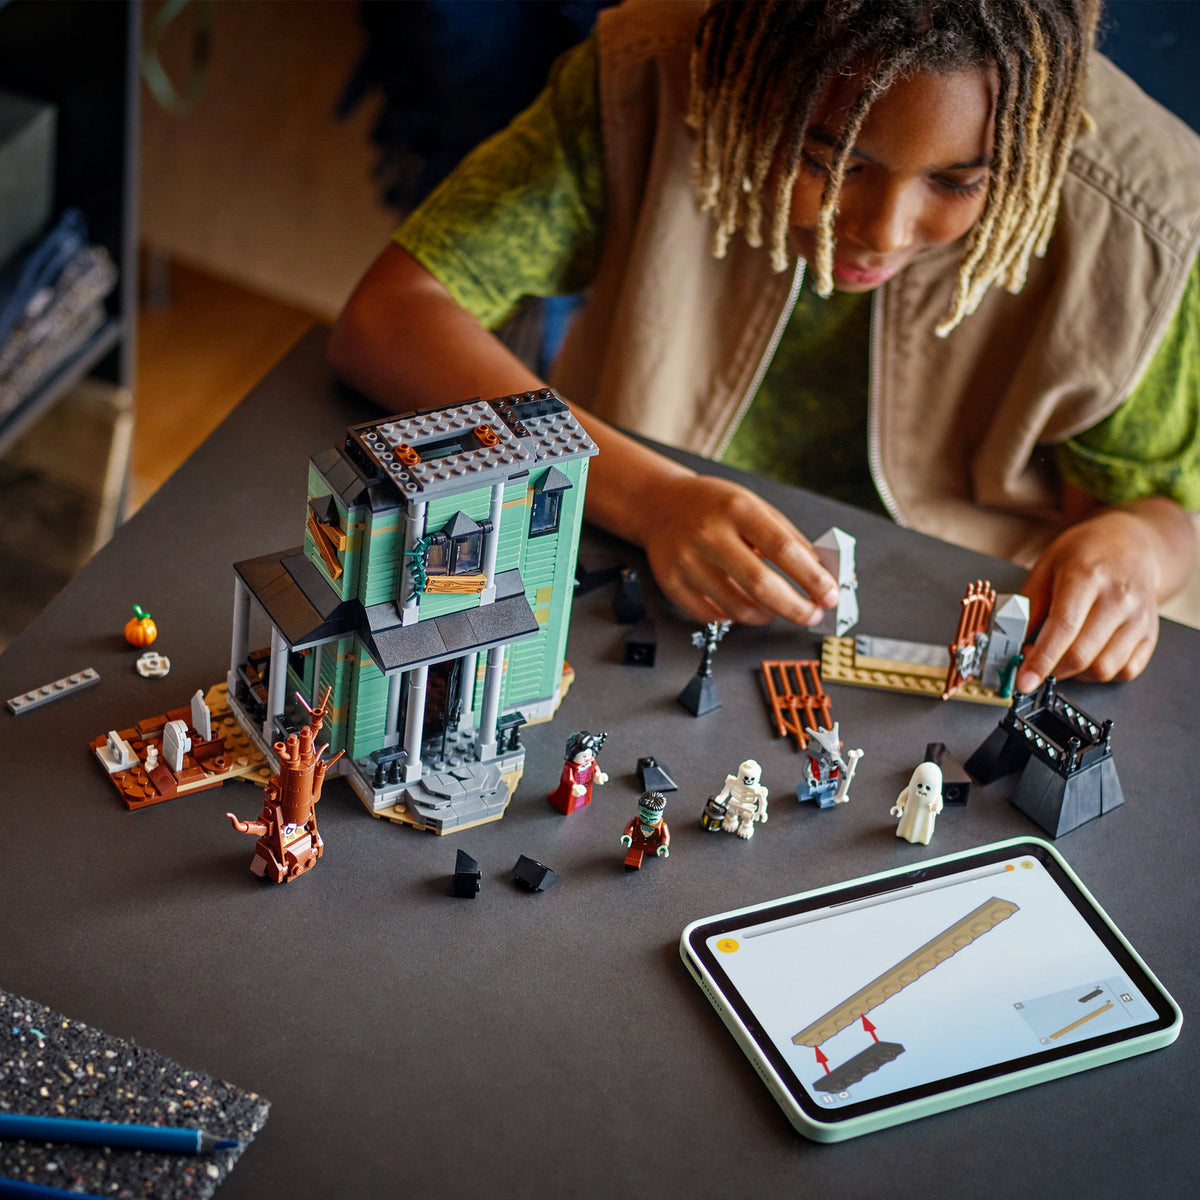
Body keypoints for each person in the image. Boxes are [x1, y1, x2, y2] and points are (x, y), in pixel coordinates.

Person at [329, 0, 1200, 692]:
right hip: (628, 572)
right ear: (752, 86)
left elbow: (1164, 511)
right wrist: (655, 502)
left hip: (950, 642)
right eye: (830, 159)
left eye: (957, 181)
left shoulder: (1146, 215)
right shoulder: (649, 77)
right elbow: (391, 318)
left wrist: (1136, 549)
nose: (879, 232)